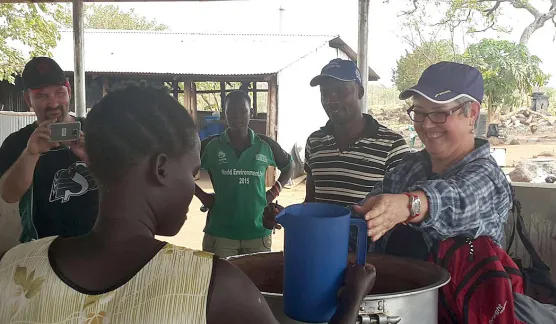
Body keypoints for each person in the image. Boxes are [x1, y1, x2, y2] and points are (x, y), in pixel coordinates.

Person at [0, 82, 376, 324]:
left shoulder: (16, 265)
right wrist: (350, 302)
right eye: (192, 171)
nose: (192, 183)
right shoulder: (213, 287)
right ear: (162, 168)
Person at [353, 62, 556, 323]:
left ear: (471, 113)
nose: (427, 125)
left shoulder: (488, 177)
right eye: (419, 112)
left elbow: (457, 199)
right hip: (399, 309)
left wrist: (407, 206)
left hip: (464, 313)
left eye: (439, 113)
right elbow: (363, 223)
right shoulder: (407, 170)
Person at [305, 58, 412, 253]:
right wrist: (285, 214)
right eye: (325, 93)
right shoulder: (315, 142)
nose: (331, 99)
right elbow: (311, 201)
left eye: (341, 91)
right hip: (319, 252)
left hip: (368, 259)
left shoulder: (392, 145)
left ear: (360, 92)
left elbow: (399, 214)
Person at [0, 57, 98, 243]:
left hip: (97, 244)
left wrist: (90, 157)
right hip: (41, 249)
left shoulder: (97, 132)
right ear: (28, 99)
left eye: (59, 93)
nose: (53, 103)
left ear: (69, 91)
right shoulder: (17, 142)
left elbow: (122, 187)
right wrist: (30, 154)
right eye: (42, 96)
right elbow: (9, 195)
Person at [195, 90, 294, 258]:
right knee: (221, 282)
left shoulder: (266, 145)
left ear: (251, 112)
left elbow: (288, 166)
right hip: (221, 234)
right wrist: (202, 196)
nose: (237, 116)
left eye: (243, 111)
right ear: (225, 113)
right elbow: (178, 169)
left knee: (255, 282)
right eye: (231, 111)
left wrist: (273, 192)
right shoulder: (211, 146)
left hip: (257, 233)